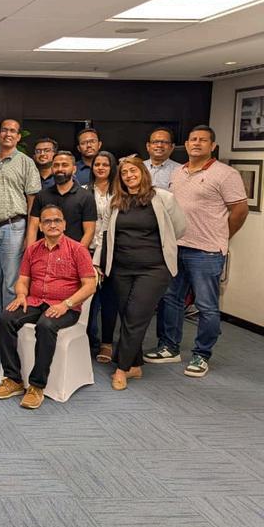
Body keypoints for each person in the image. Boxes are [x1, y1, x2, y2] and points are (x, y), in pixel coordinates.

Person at [148, 125, 249, 377]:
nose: (196, 143)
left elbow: (240, 210)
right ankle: (169, 347)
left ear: (212, 146)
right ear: (186, 144)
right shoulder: (179, 172)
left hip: (206, 252)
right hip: (177, 246)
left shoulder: (225, 174)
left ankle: (202, 354)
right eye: (193, 139)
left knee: (206, 306)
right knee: (171, 300)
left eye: (203, 140)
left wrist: (223, 236)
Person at [0, 203, 97, 410]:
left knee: (45, 325)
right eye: (47, 221)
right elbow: (23, 280)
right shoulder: (32, 250)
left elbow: (90, 286)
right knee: (5, 319)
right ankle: (13, 379)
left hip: (66, 307)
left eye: (57, 220)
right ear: (40, 226)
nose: (52, 224)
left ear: (64, 224)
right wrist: (21, 294)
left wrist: (66, 304)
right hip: (35, 301)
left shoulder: (78, 250)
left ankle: (37, 386)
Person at [96, 157, 186, 390]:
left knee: (136, 316)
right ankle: (135, 365)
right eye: (124, 172)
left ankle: (121, 368)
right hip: (121, 269)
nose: (129, 175)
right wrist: (99, 264)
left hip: (153, 269)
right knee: (127, 316)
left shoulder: (163, 198)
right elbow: (105, 234)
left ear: (143, 172)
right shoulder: (115, 202)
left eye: (133, 170)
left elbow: (179, 228)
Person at [0, 119, 41, 347]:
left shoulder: (26, 163)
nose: (8, 134)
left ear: (18, 136)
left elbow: (33, 201)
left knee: (12, 283)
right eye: (4, 130)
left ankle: (8, 328)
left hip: (14, 227)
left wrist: (29, 236)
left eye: (13, 131)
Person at [85, 151, 118, 363]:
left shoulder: (121, 193)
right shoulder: (83, 191)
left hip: (112, 252)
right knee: (88, 299)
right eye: (97, 164)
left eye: (105, 164)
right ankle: (87, 339)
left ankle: (107, 344)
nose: (100, 168)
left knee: (109, 300)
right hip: (88, 250)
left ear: (112, 167)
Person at [27, 151, 96, 248]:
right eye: (56, 165)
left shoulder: (86, 196)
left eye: (64, 165)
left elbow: (89, 231)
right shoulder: (41, 195)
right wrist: (30, 253)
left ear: (74, 169)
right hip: (44, 252)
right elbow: (33, 228)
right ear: (52, 169)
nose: (60, 169)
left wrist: (77, 254)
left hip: (73, 252)